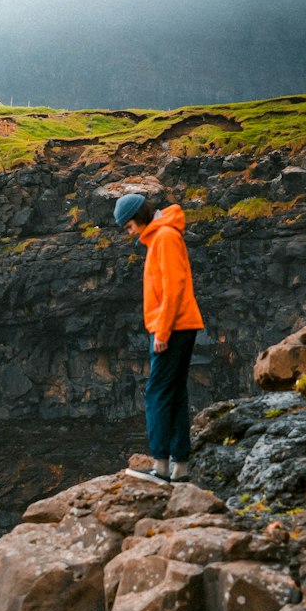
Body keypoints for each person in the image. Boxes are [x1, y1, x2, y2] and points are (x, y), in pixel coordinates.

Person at [114, 191, 204, 483]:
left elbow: (174, 287)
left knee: (156, 394)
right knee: (175, 392)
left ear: (138, 218)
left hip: (173, 327)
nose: (130, 233)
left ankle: (160, 466)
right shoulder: (163, 236)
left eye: (129, 226)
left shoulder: (164, 237)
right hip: (180, 324)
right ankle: (179, 467)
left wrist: (162, 331)